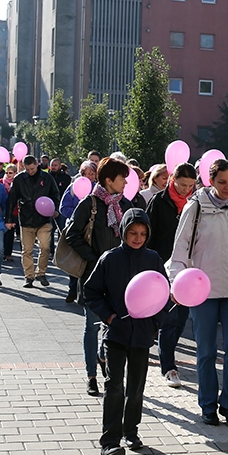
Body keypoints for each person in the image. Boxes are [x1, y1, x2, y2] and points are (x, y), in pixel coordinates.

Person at [167, 158, 228, 427]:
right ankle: (208, 405)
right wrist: (176, 282)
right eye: (222, 182)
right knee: (207, 351)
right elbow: (180, 249)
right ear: (210, 181)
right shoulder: (196, 207)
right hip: (203, 292)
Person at [83, 208, 168, 455]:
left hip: (142, 335)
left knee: (136, 387)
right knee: (114, 386)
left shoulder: (153, 259)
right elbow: (91, 292)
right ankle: (110, 441)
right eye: (133, 233)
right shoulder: (110, 258)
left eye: (142, 233)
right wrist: (109, 317)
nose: (138, 238)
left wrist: (155, 324)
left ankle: (131, 431)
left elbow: (164, 294)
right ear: (123, 232)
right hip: (116, 334)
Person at [66, 157, 134, 397]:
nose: (126, 182)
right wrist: (95, 259)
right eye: (122, 178)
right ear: (108, 180)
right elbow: (72, 235)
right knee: (92, 326)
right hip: (92, 277)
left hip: (119, 278)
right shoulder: (90, 204)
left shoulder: (125, 204)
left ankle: (103, 358)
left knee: (113, 324)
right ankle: (91, 376)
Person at [146, 162, 197, 388]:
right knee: (170, 318)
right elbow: (148, 236)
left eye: (191, 185)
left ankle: (166, 353)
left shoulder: (196, 203)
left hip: (189, 270)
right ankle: (169, 367)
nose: (186, 189)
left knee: (181, 319)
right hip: (163, 268)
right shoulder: (159, 201)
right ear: (172, 180)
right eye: (182, 185)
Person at [6, 155, 60, 288]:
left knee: (45, 247)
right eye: (27, 169)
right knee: (27, 250)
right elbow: (12, 199)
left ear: (36, 164)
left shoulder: (47, 178)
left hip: (44, 218)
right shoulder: (19, 179)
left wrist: (55, 209)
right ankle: (29, 276)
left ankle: (41, 273)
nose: (30, 171)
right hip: (26, 218)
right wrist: (9, 219)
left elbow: (55, 194)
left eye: (32, 168)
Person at [60, 161, 99, 303]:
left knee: (89, 262)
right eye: (86, 173)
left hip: (93, 230)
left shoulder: (99, 189)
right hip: (76, 230)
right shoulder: (73, 187)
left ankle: (86, 292)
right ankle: (72, 290)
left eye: (92, 173)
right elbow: (63, 208)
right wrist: (79, 216)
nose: (89, 176)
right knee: (75, 260)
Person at [1, 164, 18, 262]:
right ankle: (1, 252)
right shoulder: (1, 182)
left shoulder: (18, 183)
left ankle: (8, 253)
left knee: (10, 233)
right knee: (2, 232)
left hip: (14, 211)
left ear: (15, 173)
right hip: (2, 211)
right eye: (6, 172)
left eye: (10, 173)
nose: (8, 175)